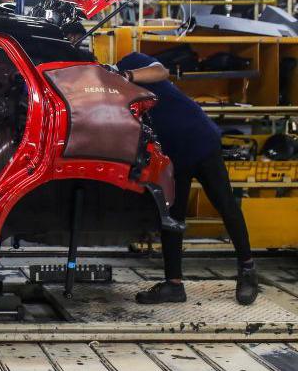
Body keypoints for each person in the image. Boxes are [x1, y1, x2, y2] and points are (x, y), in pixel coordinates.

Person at [62, 23, 259, 306]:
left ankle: (248, 271)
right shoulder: (98, 90)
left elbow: (161, 70)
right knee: (172, 218)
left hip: (197, 138)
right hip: (170, 156)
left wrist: (124, 75)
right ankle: (174, 285)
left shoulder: (129, 62)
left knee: (225, 204)